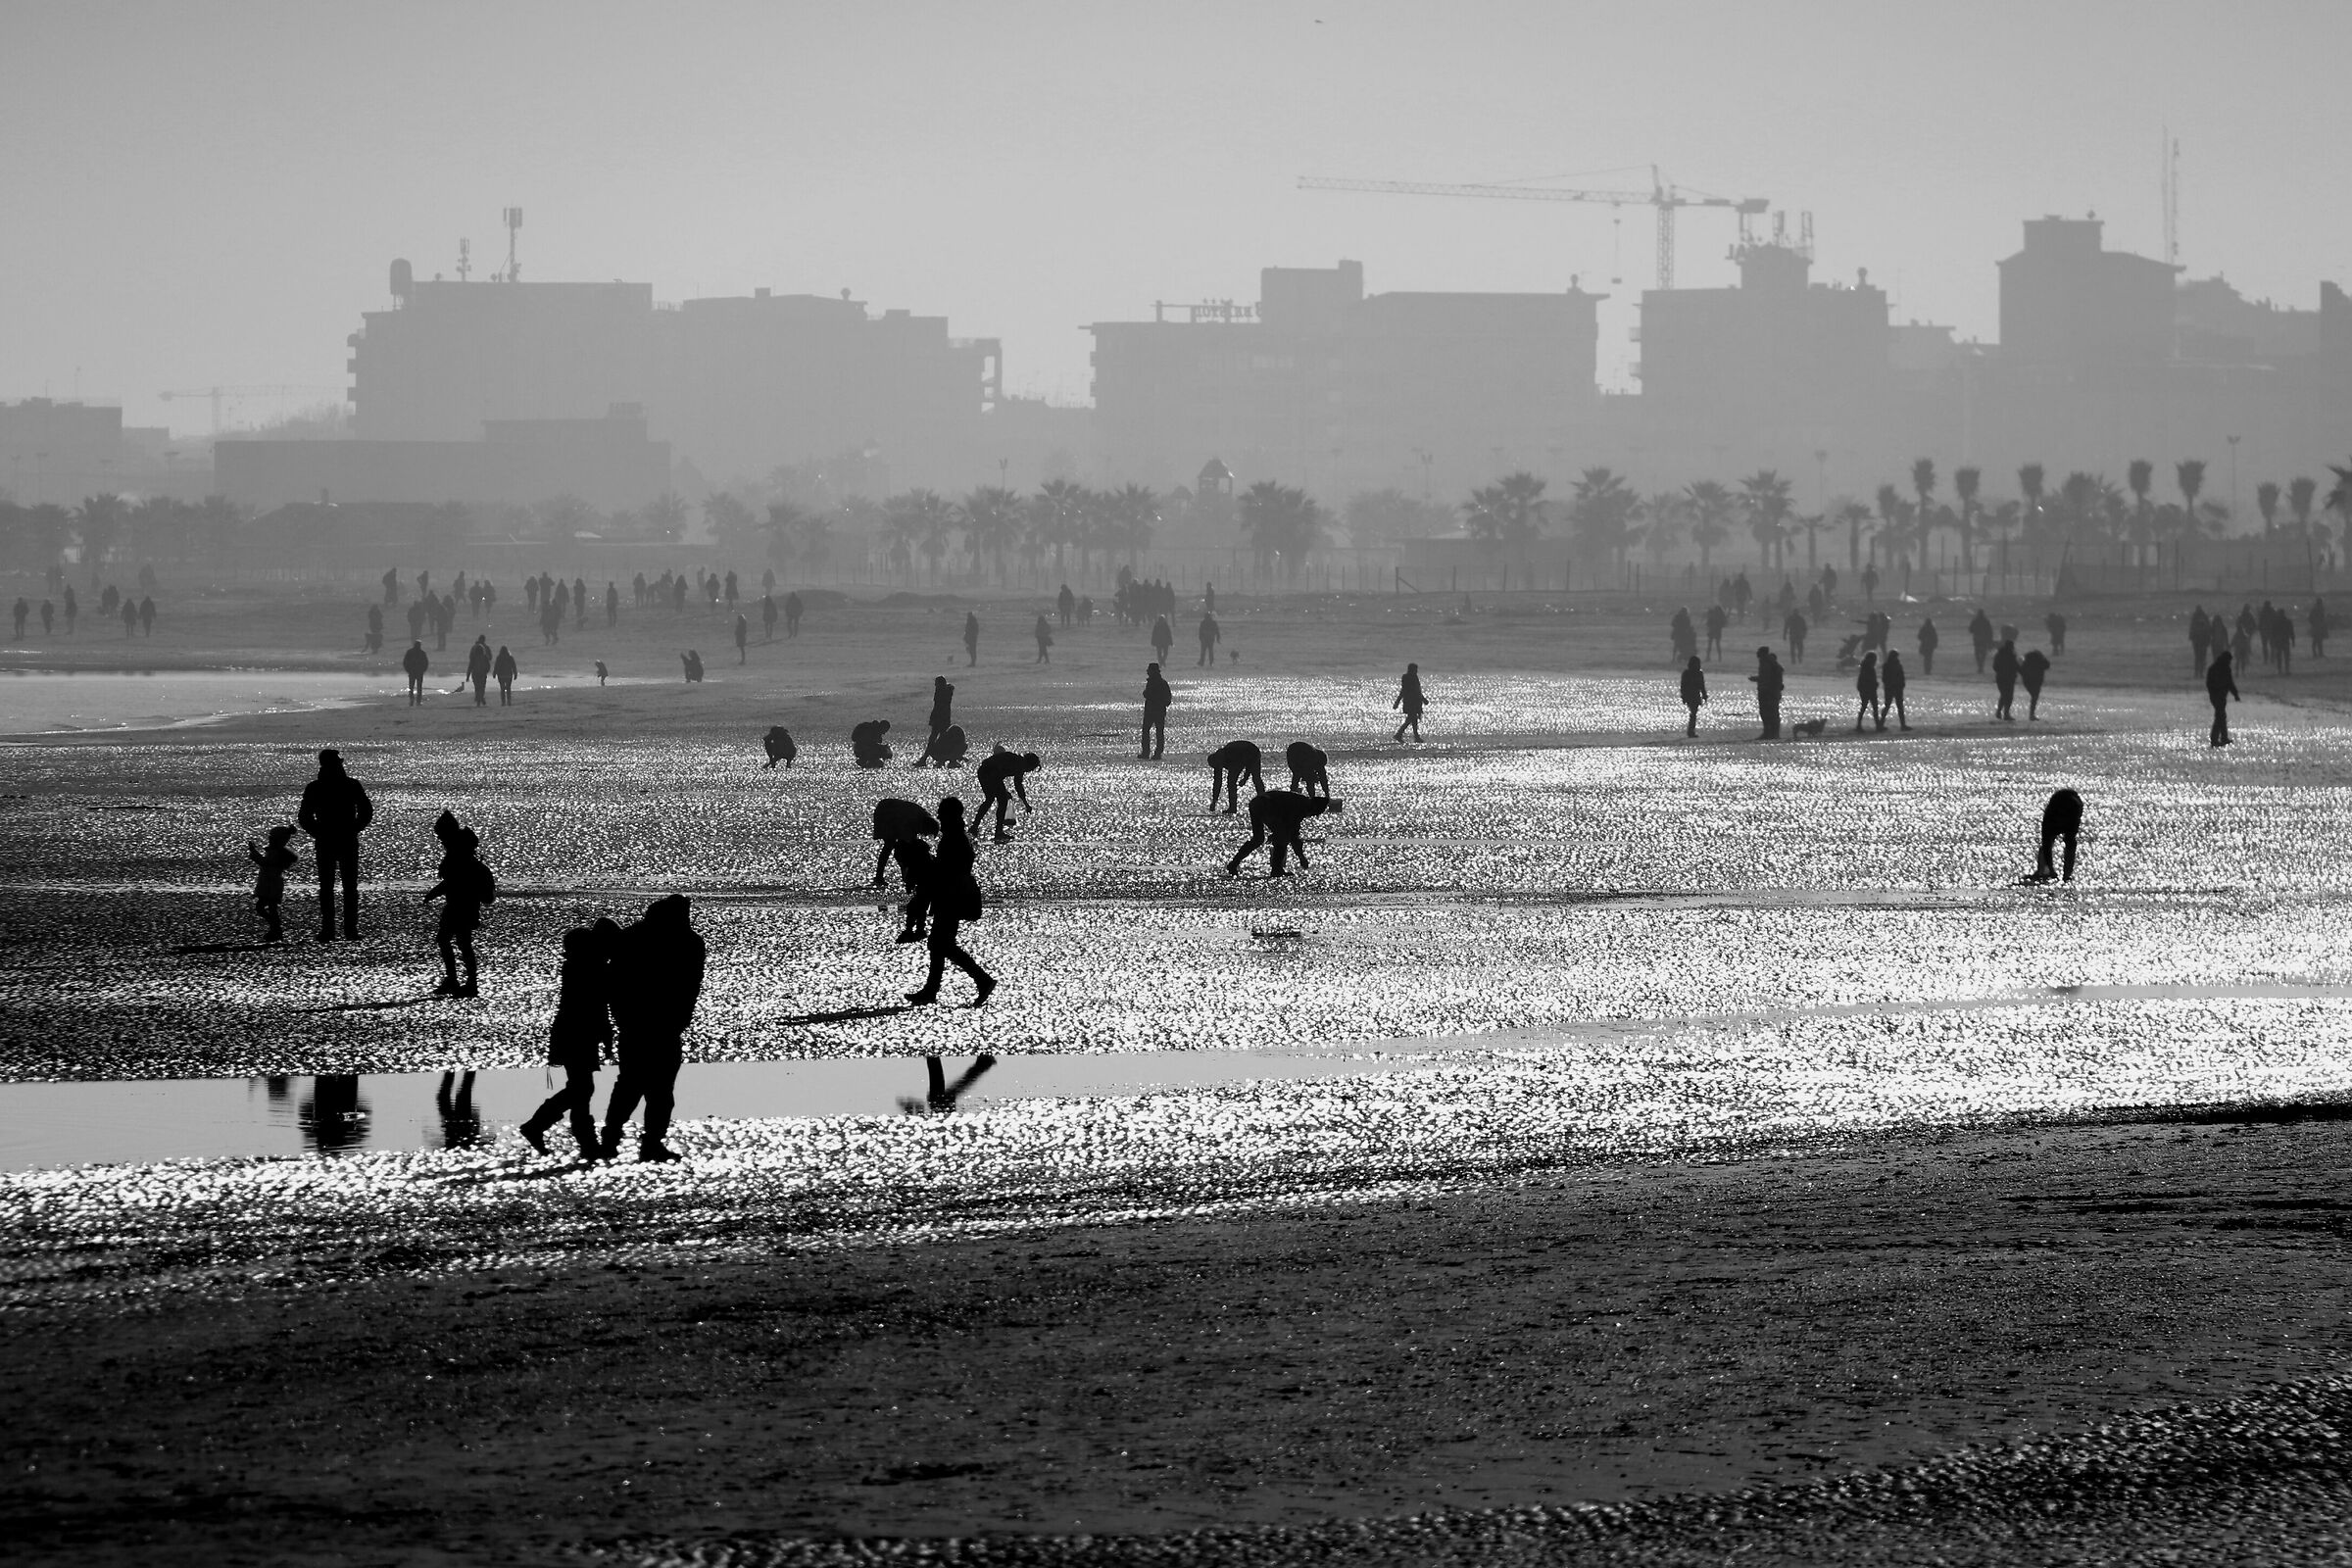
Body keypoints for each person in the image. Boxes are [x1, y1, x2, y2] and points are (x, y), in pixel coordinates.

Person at [600, 895, 706, 1163]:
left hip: (641, 1023)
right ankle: (645, 1143)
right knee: (654, 1089)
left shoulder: (633, 937)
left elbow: (613, 980)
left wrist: (619, 1015)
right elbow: (690, 985)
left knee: (633, 1086)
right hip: (658, 1025)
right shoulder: (689, 942)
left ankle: (615, 1141)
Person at [519, 918, 617, 1159]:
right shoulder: (594, 968)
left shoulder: (577, 966)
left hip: (570, 1030)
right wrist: (606, 1038)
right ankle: (541, 1127)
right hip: (580, 1032)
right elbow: (598, 1006)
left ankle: (583, 1142)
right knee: (582, 1089)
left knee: (580, 1088)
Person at [905, 800, 995, 1007]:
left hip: (952, 897)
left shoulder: (954, 839)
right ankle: (931, 990)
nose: (938, 817)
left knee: (942, 944)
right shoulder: (956, 836)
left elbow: (949, 869)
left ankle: (982, 980)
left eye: (941, 813)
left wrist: (927, 866)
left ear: (949, 815)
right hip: (952, 895)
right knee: (939, 944)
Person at [297, 749, 373, 942]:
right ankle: (343, 929)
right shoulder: (347, 785)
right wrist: (352, 828)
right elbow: (366, 811)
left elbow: (304, 817)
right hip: (338, 839)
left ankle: (335, 929)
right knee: (343, 887)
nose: (340, 765)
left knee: (333, 887)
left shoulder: (318, 787)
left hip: (332, 839)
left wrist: (320, 832)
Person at [423, 810, 494, 998]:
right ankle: (457, 980)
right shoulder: (458, 851)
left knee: (459, 942)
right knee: (454, 941)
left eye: (440, 835)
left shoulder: (457, 853)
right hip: (459, 906)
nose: (440, 840)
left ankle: (467, 982)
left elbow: (453, 881)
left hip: (461, 906)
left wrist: (434, 893)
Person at [1226, 788, 1339, 878]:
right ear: (1314, 807)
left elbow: (1291, 830)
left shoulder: (1302, 802)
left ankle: (1234, 864)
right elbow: (1293, 835)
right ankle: (1276, 869)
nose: (1311, 816)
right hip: (1266, 804)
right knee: (1282, 837)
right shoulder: (1301, 806)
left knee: (1259, 839)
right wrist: (1301, 857)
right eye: (1314, 813)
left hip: (1258, 802)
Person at [246, 824, 299, 945]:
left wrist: (253, 852)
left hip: (270, 885)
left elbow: (265, 863)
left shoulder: (276, 853)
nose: (269, 839)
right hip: (270, 884)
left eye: (271, 838)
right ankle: (275, 929)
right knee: (270, 908)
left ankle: (276, 928)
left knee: (263, 907)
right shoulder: (277, 852)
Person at [976, 746, 1041, 842]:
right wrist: (1026, 804)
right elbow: (1018, 786)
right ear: (1029, 764)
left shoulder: (1019, 762)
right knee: (1002, 801)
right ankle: (998, 832)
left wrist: (1004, 792)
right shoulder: (1020, 764)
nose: (1029, 771)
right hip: (990, 772)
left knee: (990, 799)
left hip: (984, 771)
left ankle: (975, 826)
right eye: (1031, 769)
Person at [2028, 789, 2083, 884]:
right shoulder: (2050, 819)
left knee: (2070, 841)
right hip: (2058, 805)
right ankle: (2043, 870)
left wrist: (2066, 876)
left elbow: (2070, 844)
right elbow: (2046, 845)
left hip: (2073, 806)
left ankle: (2066, 874)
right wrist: (2051, 869)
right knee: (2047, 842)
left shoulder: (2072, 817)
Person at [1207, 740, 1264, 813]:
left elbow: (1249, 763)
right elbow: (1217, 782)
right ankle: (1232, 808)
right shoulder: (1218, 761)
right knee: (1231, 783)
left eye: (1218, 765)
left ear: (1219, 759)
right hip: (1242, 755)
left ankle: (1263, 802)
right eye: (1216, 767)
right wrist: (1214, 801)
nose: (1219, 768)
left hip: (1252, 752)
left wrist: (1245, 778)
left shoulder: (1231, 756)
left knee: (1256, 779)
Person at [1749, 646, 1784, 740]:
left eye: (1758, 652)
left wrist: (1756, 679)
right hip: (1772, 692)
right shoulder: (1771, 662)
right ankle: (1772, 734)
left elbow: (1766, 678)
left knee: (1767, 713)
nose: (1757, 654)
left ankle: (1769, 733)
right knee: (1772, 713)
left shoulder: (1766, 662)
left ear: (1762, 653)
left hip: (1767, 692)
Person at [2206, 646, 2238, 747]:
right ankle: (2215, 739)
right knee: (2220, 716)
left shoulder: (2214, 667)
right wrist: (2235, 694)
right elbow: (2229, 683)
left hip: (2216, 695)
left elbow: (2209, 683)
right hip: (2218, 695)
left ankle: (2223, 737)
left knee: (2221, 716)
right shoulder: (2224, 668)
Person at [1140, 662, 1172, 760]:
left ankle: (1147, 752)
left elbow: (1148, 694)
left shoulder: (1153, 683)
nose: (1147, 672)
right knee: (1159, 732)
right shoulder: (1163, 682)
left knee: (1147, 731)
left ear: (1152, 671)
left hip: (1152, 710)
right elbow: (1168, 699)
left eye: (1149, 670)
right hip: (1160, 711)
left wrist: (1146, 694)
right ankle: (1157, 752)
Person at [922, 676, 955, 763]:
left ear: (939, 684)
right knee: (943, 739)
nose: (935, 685)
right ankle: (947, 759)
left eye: (936, 684)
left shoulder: (941, 692)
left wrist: (932, 718)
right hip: (945, 718)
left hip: (939, 719)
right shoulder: (948, 691)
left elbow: (937, 707)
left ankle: (925, 759)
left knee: (933, 739)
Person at [1393, 662, 1426, 742]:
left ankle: (1413, 736)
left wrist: (1423, 699)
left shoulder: (1410, 677)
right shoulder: (1409, 677)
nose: (1416, 671)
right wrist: (1397, 701)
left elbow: (1417, 690)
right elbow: (1406, 690)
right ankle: (1401, 734)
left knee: (1412, 719)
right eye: (1415, 669)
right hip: (1411, 701)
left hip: (1413, 701)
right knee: (1412, 718)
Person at [1880, 650, 1910, 731]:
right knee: (1889, 706)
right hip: (1892, 688)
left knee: (1898, 706)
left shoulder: (1893, 665)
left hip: (1896, 688)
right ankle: (1881, 724)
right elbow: (1885, 678)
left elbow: (1901, 676)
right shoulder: (1890, 665)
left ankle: (1902, 725)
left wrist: (1902, 684)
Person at [1991, 639, 2020, 720]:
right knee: (2008, 696)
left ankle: (1999, 712)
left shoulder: (1999, 654)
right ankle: (2005, 713)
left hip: (2000, 678)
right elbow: (2016, 667)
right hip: (2009, 678)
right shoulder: (2012, 655)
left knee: (2004, 695)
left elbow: (1995, 667)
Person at [1679, 657, 1707, 736]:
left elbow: (1702, 686)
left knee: (1693, 713)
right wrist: (1683, 696)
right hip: (1691, 695)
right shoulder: (1689, 673)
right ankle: (1691, 731)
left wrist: (1704, 695)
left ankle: (1691, 730)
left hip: (1694, 695)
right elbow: (1683, 686)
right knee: (1693, 713)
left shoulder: (1695, 673)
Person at [2020, 646, 2051, 719]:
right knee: (2034, 697)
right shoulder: (2040, 660)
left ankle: (2031, 714)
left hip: (2027, 681)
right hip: (2037, 681)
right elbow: (2047, 665)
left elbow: (2021, 670)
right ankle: (2031, 714)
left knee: (2034, 696)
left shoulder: (2027, 661)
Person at [1853, 651, 1880, 732]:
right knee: (1873, 708)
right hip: (1869, 690)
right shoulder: (1869, 668)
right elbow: (1869, 680)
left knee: (1864, 707)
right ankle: (1878, 726)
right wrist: (1875, 685)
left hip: (1865, 689)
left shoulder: (1864, 667)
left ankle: (1859, 725)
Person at [401, 639, 429, 706]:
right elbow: (426, 663)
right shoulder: (422, 653)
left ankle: (412, 699)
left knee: (412, 687)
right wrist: (423, 670)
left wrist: (408, 670)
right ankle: (417, 701)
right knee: (418, 687)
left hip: (413, 672)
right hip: (417, 672)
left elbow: (405, 662)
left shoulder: (410, 652)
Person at [466, 636, 492, 706]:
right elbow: (489, 663)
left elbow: (470, 666)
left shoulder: (474, 655)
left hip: (475, 673)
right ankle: (481, 697)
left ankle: (478, 698)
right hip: (482, 673)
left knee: (477, 687)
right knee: (482, 686)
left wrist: (468, 676)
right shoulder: (485, 656)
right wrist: (486, 671)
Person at [1968, 608, 1995, 673]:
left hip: (1977, 639)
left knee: (1977, 653)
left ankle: (1980, 667)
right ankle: (1981, 666)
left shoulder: (1975, 621)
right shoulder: (1986, 621)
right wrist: (1990, 639)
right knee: (1983, 654)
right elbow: (1990, 631)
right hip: (1984, 640)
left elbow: (1970, 630)